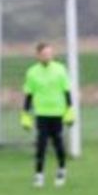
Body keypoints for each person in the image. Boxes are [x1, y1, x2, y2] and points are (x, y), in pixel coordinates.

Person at [21, 41, 75, 187]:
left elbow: (66, 91)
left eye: (50, 54)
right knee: (41, 144)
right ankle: (39, 174)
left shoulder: (60, 70)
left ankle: (61, 170)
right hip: (42, 113)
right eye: (44, 54)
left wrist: (69, 110)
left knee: (58, 143)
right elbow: (29, 94)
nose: (47, 57)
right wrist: (25, 114)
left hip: (57, 113)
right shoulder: (32, 72)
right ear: (38, 56)